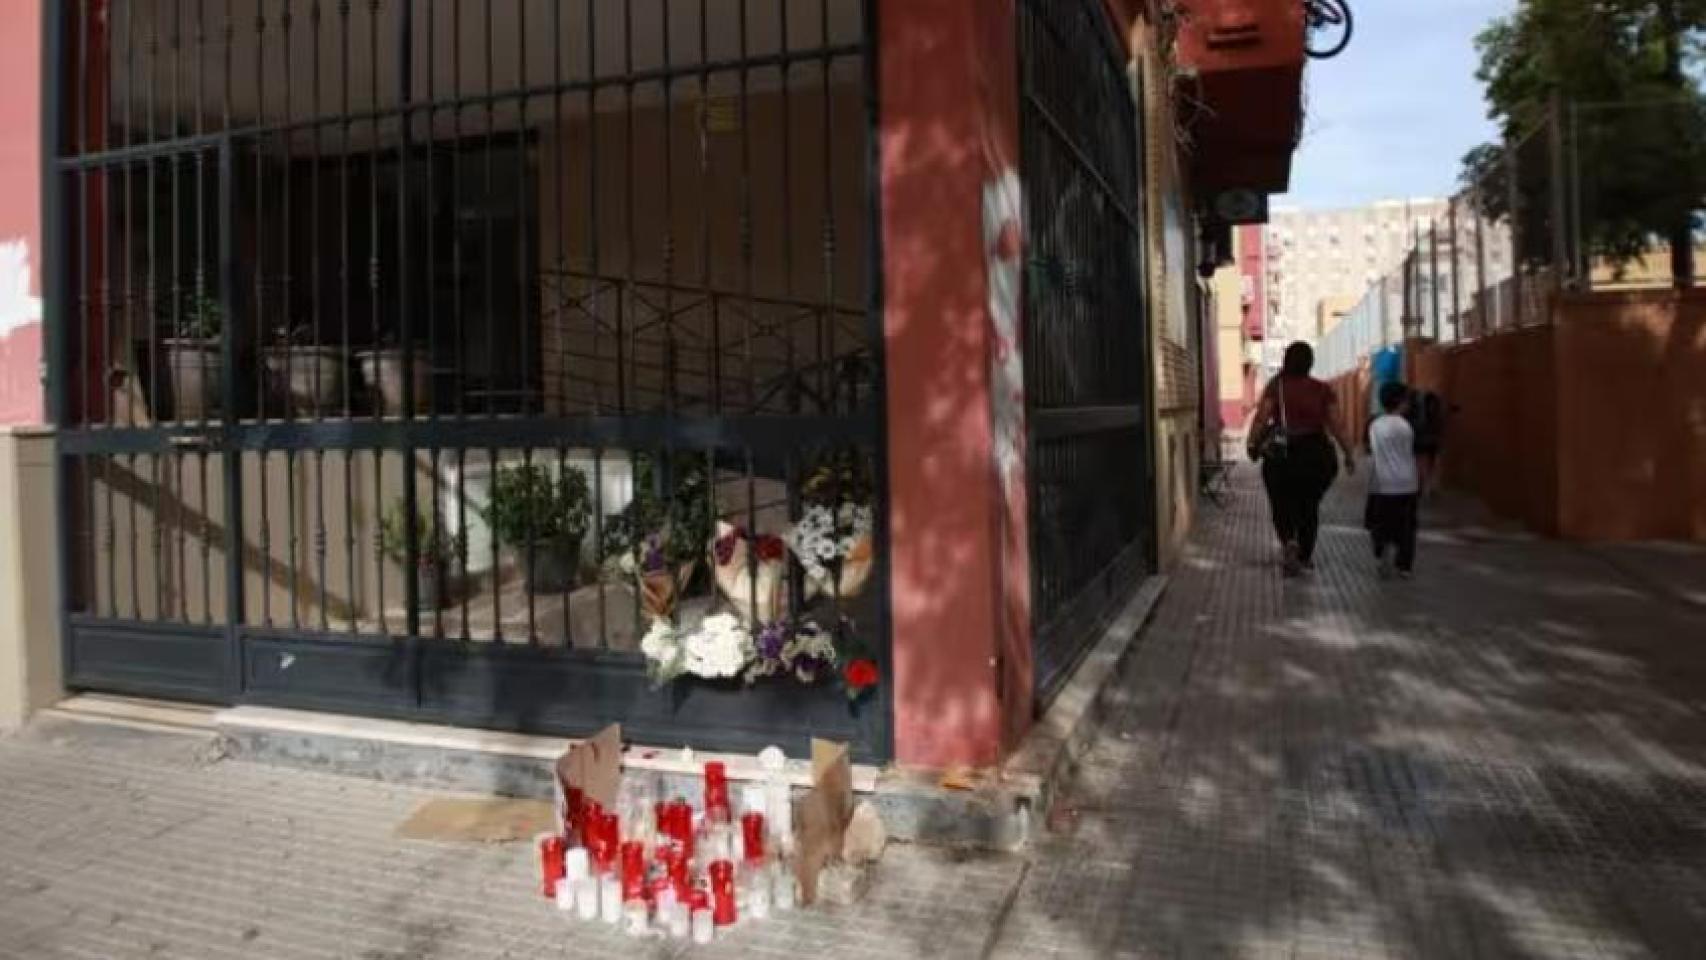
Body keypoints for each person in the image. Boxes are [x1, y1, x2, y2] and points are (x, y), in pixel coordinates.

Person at [1247, 342, 1357, 576]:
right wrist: (1348, 453)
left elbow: (1261, 418)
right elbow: (1337, 425)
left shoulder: (1277, 387)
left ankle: (1288, 540)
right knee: (1309, 506)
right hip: (1316, 454)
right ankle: (1305, 555)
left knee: (1281, 503)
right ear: (1310, 362)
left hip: (1282, 454)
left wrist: (1252, 443)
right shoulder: (1322, 389)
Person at [1366, 381, 1421, 579]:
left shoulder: (1375, 425)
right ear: (1400, 402)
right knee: (1407, 526)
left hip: (1381, 484)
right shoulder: (1407, 426)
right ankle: (1404, 566)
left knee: (1380, 523)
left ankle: (1382, 552)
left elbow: (1371, 449)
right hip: (1407, 483)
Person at [1405, 387, 1445, 494]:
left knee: (1424, 466)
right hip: (1423, 443)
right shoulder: (1419, 413)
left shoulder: (1415, 412)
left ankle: (1424, 486)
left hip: (1424, 443)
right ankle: (1423, 486)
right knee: (1423, 466)